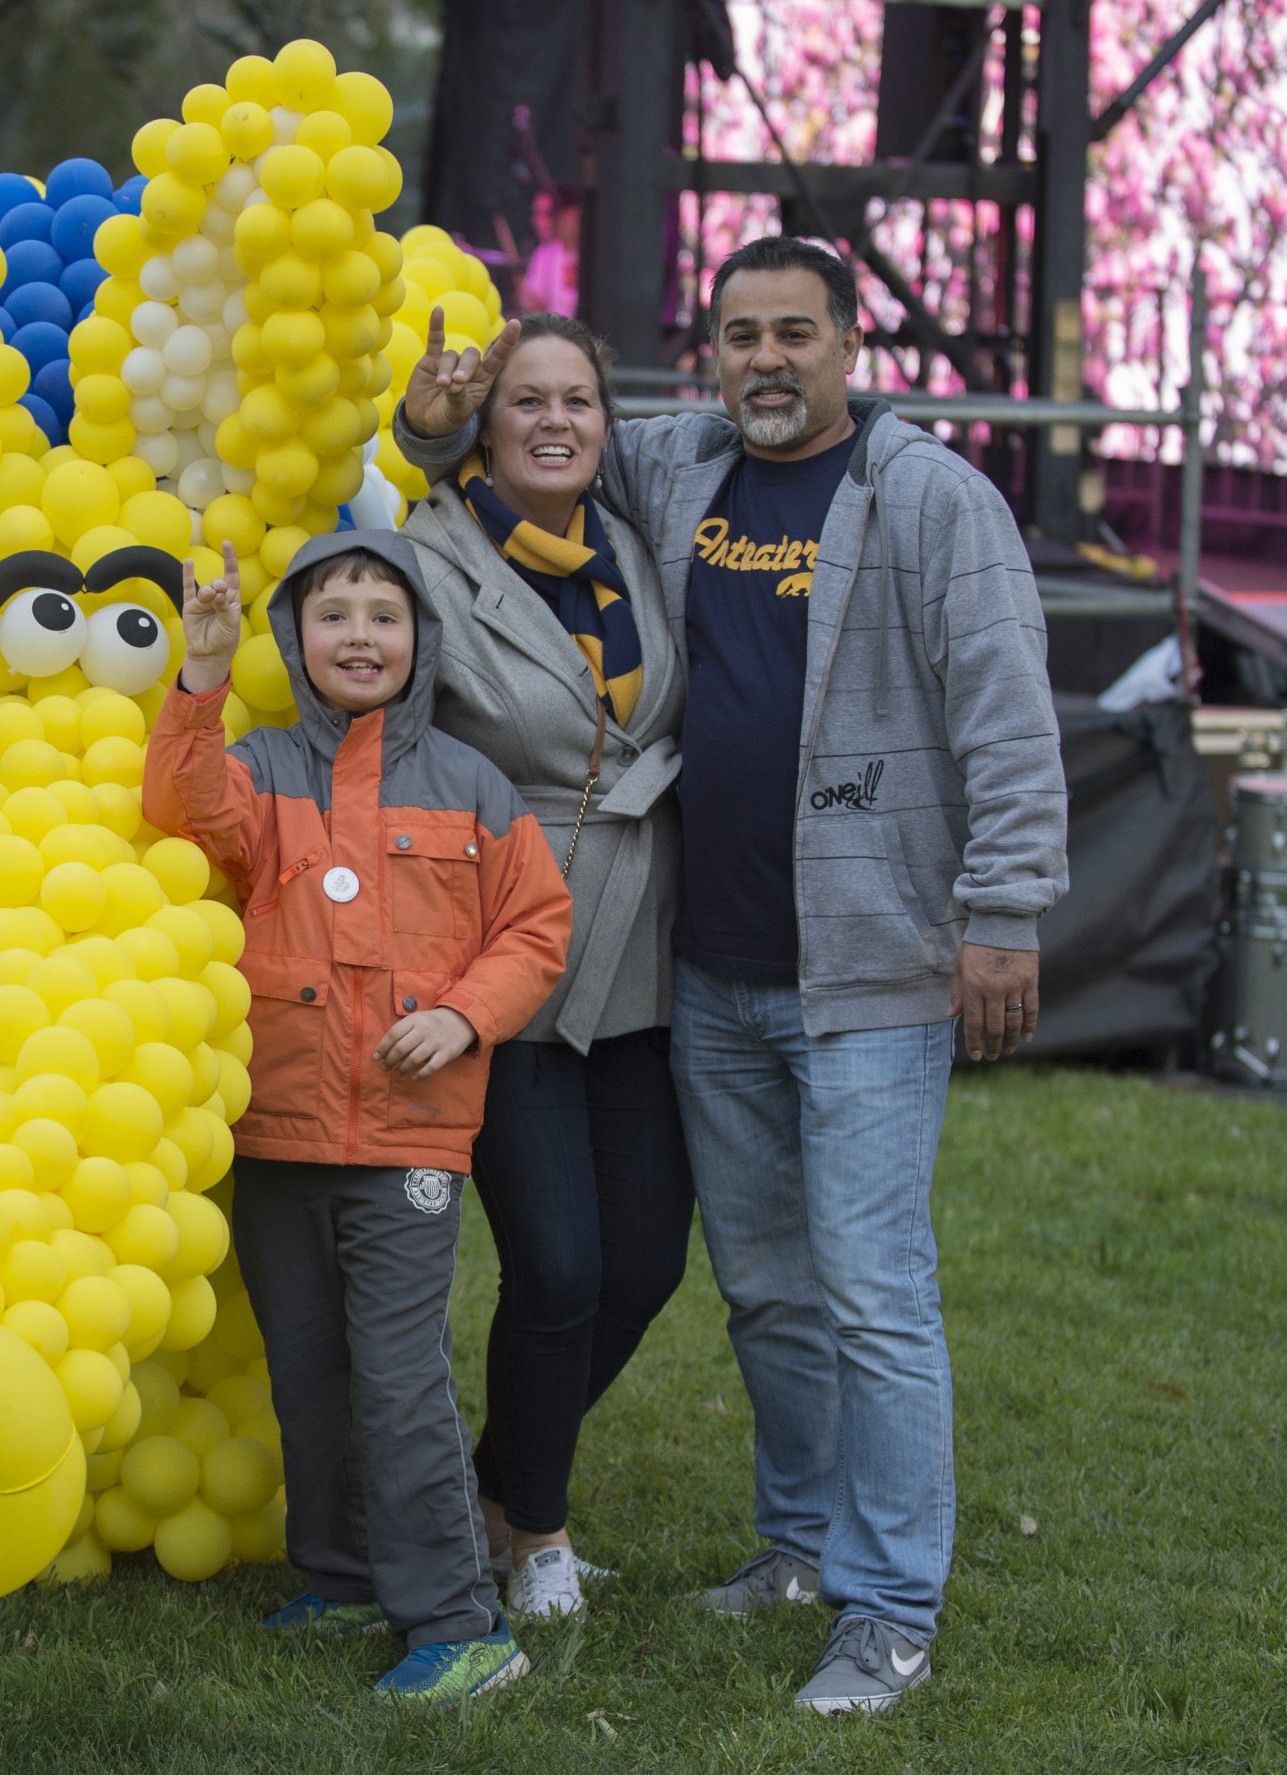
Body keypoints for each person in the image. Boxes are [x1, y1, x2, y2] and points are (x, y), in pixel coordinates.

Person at [401, 235, 1068, 1714]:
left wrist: (1004, 910)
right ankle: (802, 1540)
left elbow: (1011, 717)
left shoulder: (935, 501)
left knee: (876, 1292)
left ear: (850, 346)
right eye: (739, 334)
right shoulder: (686, 467)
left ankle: (889, 1609)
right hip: (710, 963)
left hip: (874, 966)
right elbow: (528, 450)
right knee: (764, 1284)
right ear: (709, 356)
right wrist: (439, 420)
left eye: (795, 334)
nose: (766, 359)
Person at [145, 531, 573, 1707]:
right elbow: (184, 818)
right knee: (308, 1372)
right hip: (275, 1127)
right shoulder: (262, 762)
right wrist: (202, 670)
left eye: (384, 615)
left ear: (420, 640)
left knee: (397, 1378)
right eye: (333, 615)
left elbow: (535, 928)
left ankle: (458, 1622)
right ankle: (339, 1576)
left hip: (406, 1138)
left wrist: (465, 1018)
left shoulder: (472, 783)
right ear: (298, 639)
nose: (359, 636)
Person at [389, 309, 691, 1625]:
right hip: (501, 943)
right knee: (557, 1262)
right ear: (487, 422)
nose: (556, 422)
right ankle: (540, 1538)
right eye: (528, 402)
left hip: (643, 942)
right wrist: (423, 428)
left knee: (642, 1265)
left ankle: (496, 1487)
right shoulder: (430, 551)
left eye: (578, 400)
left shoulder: (635, 543)